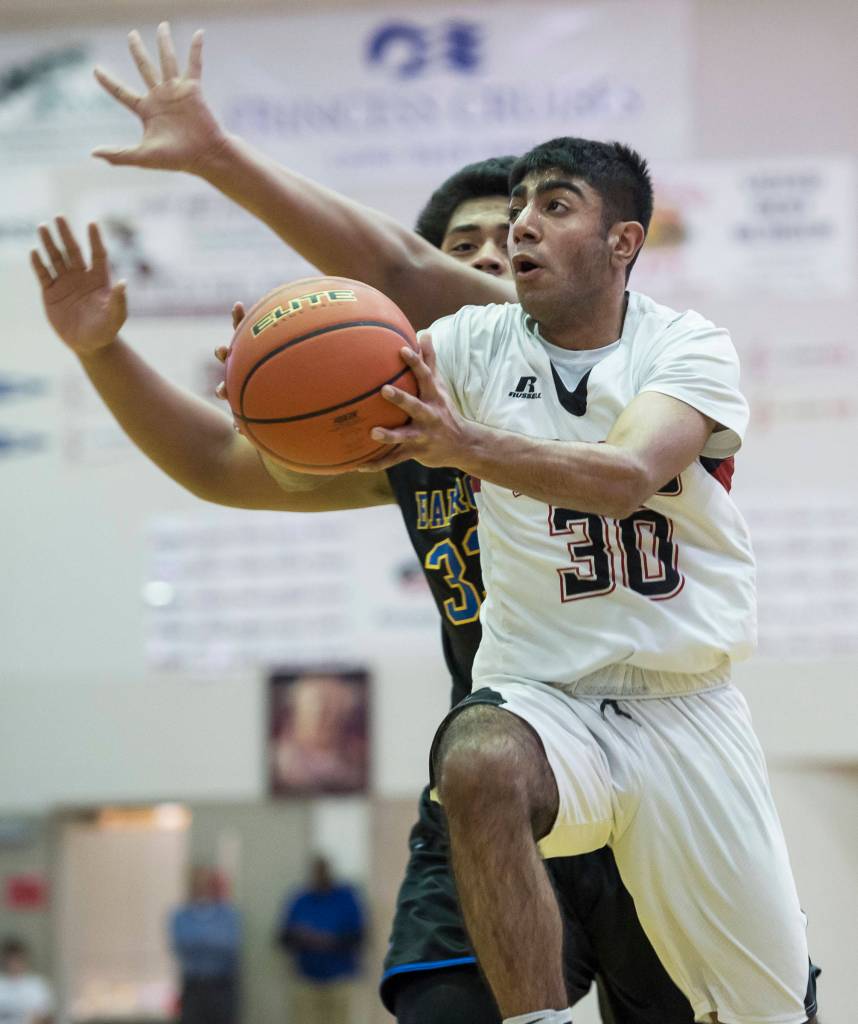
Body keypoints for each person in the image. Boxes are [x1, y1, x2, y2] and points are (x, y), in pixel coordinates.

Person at [33, 24, 817, 1024]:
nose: (505, 247)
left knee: (753, 1008)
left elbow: (613, 465)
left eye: (536, 217)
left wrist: (220, 156)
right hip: (528, 736)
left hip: (676, 712)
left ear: (617, 243)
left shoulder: (662, 352)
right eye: (476, 241)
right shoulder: (444, 373)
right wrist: (171, 369)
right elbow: (229, 462)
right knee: (474, 774)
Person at [276, 855, 365, 1024]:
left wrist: (329, 940)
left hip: (339, 980)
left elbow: (359, 936)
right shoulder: (300, 899)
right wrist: (301, 937)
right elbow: (282, 937)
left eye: (323, 871)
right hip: (306, 979)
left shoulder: (346, 898)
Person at [169, 866, 240, 1024]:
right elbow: (182, 945)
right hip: (193, 985)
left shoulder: (227, 915)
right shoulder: (181, 915)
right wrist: (211, 937)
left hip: (221, 985)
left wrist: (199, 939)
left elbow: (228, 946)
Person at [0, 937, 53, 1024]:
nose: (14, 963)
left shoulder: (36, 984)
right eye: (11, 959)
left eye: (18, 959)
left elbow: (46, 1016)